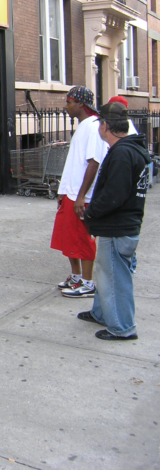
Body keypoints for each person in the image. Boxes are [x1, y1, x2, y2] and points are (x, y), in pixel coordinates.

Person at [79, 102, 151, 340]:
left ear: (106, 126)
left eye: (100, 123)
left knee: (114, 276)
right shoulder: (130, 149)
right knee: (106, 272)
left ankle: (122, 327)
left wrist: (90, 213)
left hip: (118, 227)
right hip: (123, 225)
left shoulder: (122, 153)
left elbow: (114, 195)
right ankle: (101, 313)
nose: (98, 127)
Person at [51, 86, 108, 298]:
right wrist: (62, 190)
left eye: (69, 102)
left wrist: (82, 196)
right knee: (68, 238)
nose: (66, 106)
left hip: (80, 195)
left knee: (82, 239)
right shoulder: (84, 126)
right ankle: (75, 276)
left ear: (80, 104)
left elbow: (94, 162)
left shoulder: (94, 127)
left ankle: (88, 282)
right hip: (70, 192)